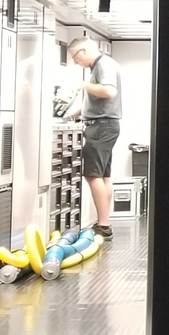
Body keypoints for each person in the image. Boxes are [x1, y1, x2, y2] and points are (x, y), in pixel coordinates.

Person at [64, 37, 121, 239]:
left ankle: (104, 225)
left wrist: (84, 85)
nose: (76, 61)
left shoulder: (103, 65)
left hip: (101, 127)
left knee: (93, 175)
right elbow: (92, 101)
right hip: (104, 126)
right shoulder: (100, 66)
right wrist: (69, 115)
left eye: (75, 57)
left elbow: (108, 91)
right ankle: (104, 222)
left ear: (84, 50)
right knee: (104, 175)